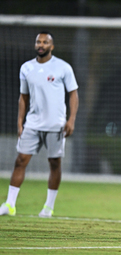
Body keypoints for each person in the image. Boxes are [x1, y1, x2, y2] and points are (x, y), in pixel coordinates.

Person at [0, 31, 79, 218]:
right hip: (33, 124)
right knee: (20, 161)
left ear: (52, 46)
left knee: (54, 163)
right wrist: (20, 122)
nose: (41, 44)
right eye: (38, 41)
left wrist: (71, 120)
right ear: (35, 45)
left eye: (45, 42)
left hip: (56, 125)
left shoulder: (63, 67)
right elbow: (23, 97)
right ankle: (10, 204)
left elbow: (73, 94)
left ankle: (48, 208)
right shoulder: (26, 68)